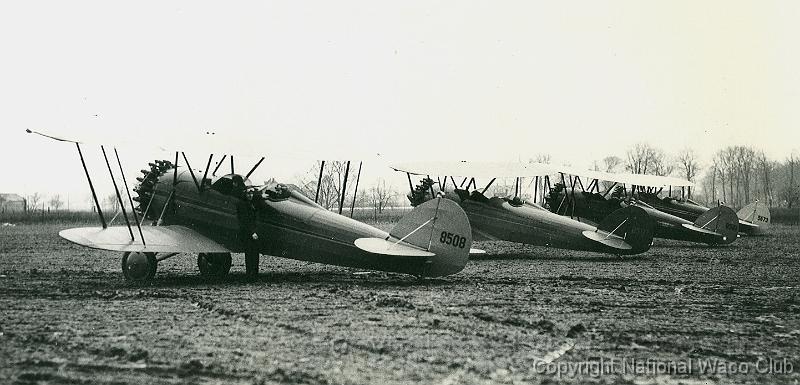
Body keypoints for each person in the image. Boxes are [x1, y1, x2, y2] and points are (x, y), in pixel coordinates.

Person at [232, 175, 260, 277]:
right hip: (248, 233)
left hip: (252, 233)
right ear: (245, 195)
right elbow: (245, 221)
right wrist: (252, 232)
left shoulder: (249, 203)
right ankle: (250, 275)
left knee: (254, 254)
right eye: (249, 194)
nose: (250, 195)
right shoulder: (243, 205)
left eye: (251, 194)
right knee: (250, 254)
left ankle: (254, 274)